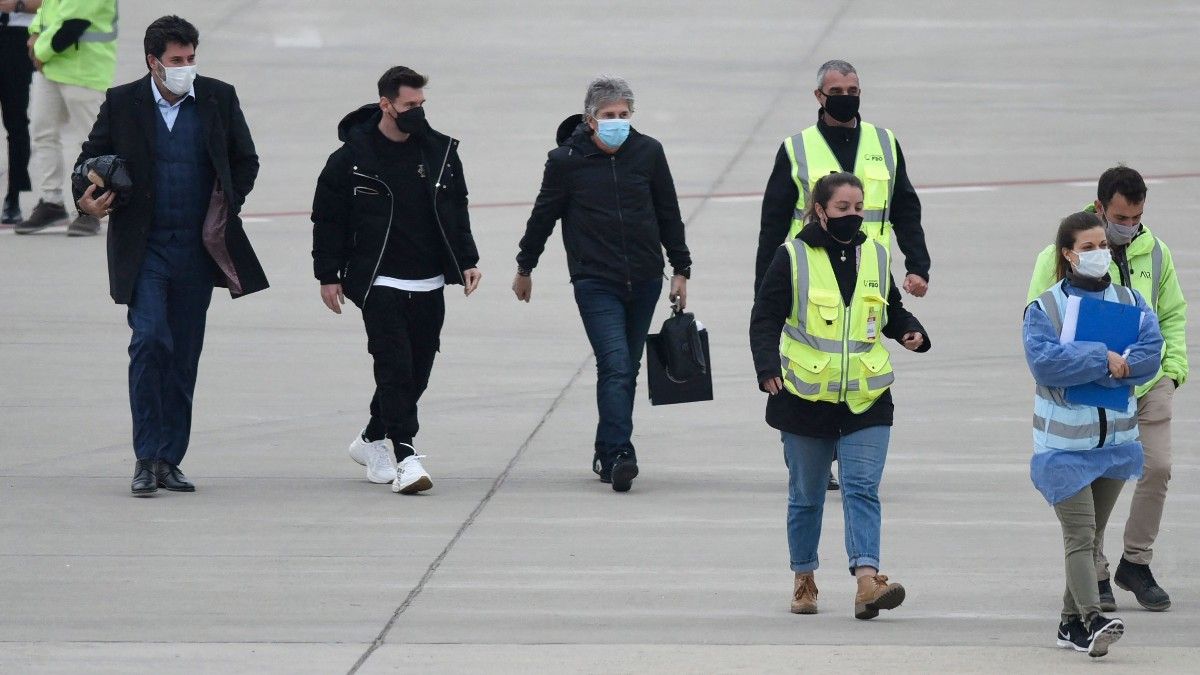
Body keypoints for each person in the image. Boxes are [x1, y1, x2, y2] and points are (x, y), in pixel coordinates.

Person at [74, 15, 268, 495]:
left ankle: (168, 460)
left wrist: (226, 204)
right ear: (153, 62)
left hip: (197, 251)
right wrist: (85, 196)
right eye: (177, 60)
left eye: (191, 58)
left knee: (183, 356)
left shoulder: (218, 97)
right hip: (146, 249)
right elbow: (88, 161)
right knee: (149, 342)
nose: (187, 67)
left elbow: (246, 159)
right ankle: (145, 456)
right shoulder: (123, 102)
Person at [750, 172, 930, 618]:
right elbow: (765, 316)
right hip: (805, 398)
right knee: (807, 496)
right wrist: (767, 368)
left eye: (859, 208)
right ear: (820, 211)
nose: (853, 216)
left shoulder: (875, 252)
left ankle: (867, 582)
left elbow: (889, 309)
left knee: (862, 489)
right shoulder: (792, 256)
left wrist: (909, 330)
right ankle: (804, 577)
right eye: (842, 208)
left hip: (866, 398)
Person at [512, 75, 691, 493]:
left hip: (645, 278)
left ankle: (605, 447)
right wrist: (525, 267)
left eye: (624, 115)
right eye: (609, 116)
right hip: (595, 281)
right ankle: (618, 455)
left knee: (626, 370)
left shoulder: (648, 153)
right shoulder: (565, 161)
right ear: (590, 120)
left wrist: (680, 268)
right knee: (616, 365)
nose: (617, 122)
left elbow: (669, 212)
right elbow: (543, 216)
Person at [311, 66, 481, 495]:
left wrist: (467, 259)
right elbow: (327, 221)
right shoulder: (350, 159)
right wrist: (328, 275)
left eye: (421, 105)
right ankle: (406, 456)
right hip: (379, 281)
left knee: (418, 373)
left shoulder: (439, 152)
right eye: (409, 106)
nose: (417, 113)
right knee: (394, 369)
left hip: (428, 280)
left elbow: (455, 209)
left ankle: (371, 440)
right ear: (386, 104)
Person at [1026, 166, 1187, 612]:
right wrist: (1093, 363)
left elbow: (1170, 315)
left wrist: (1171, 371)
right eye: (1120, 217)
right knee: (1087, 504)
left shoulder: (1156, 253)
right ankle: (1093, 578)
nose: (1128, 226)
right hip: (1085, 392)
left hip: (1145, 383)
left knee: (1157, 469)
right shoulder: (1057, 255)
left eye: (1136, 217)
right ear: (1100, 207)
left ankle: (1135, 561)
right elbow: (1042, 327)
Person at [1023, 211, 1163, 657]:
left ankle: (1068, 624)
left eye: (1102, 245)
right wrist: (1103, 359)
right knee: (1080, 537)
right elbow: (1045, 364)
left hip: (1115, 446)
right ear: (1067, 254)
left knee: (1091, 539)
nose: (1099, 253)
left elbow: (1148, 356)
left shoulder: (1132, 300)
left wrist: (1111, 365)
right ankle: (1091, 619)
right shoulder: (1044, 308)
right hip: (1063, 450)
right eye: (1087, 247)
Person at [16, 0, 115, 236]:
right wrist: (35, 32)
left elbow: (73, 24)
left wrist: (39, 51)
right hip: (50, 69)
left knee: (92, 145)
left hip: (85, 71)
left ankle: (92, 208)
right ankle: (51, 201)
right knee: (43, 134)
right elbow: (47, 8)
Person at [0, 0, 41, 224]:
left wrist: (17, 5)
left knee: (15, 122)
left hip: (16, 38)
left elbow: (53, 3)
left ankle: (13, 198)